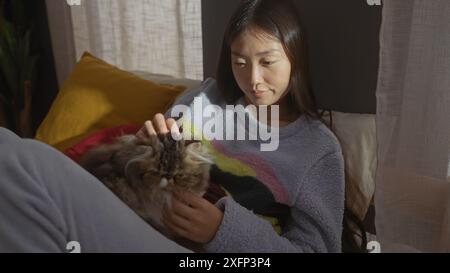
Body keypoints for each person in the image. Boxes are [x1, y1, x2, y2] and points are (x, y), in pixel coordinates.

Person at [0, 0, 362, 253]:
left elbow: (316, 250)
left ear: (294, 58)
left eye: (268, 62)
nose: (253, 79)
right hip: (139, 223)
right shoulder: (206, 99)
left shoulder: (316, 149)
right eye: (240, 62)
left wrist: (222, 232)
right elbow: (150, 171)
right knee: (9, 152)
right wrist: (142, 148)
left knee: (22, 158)